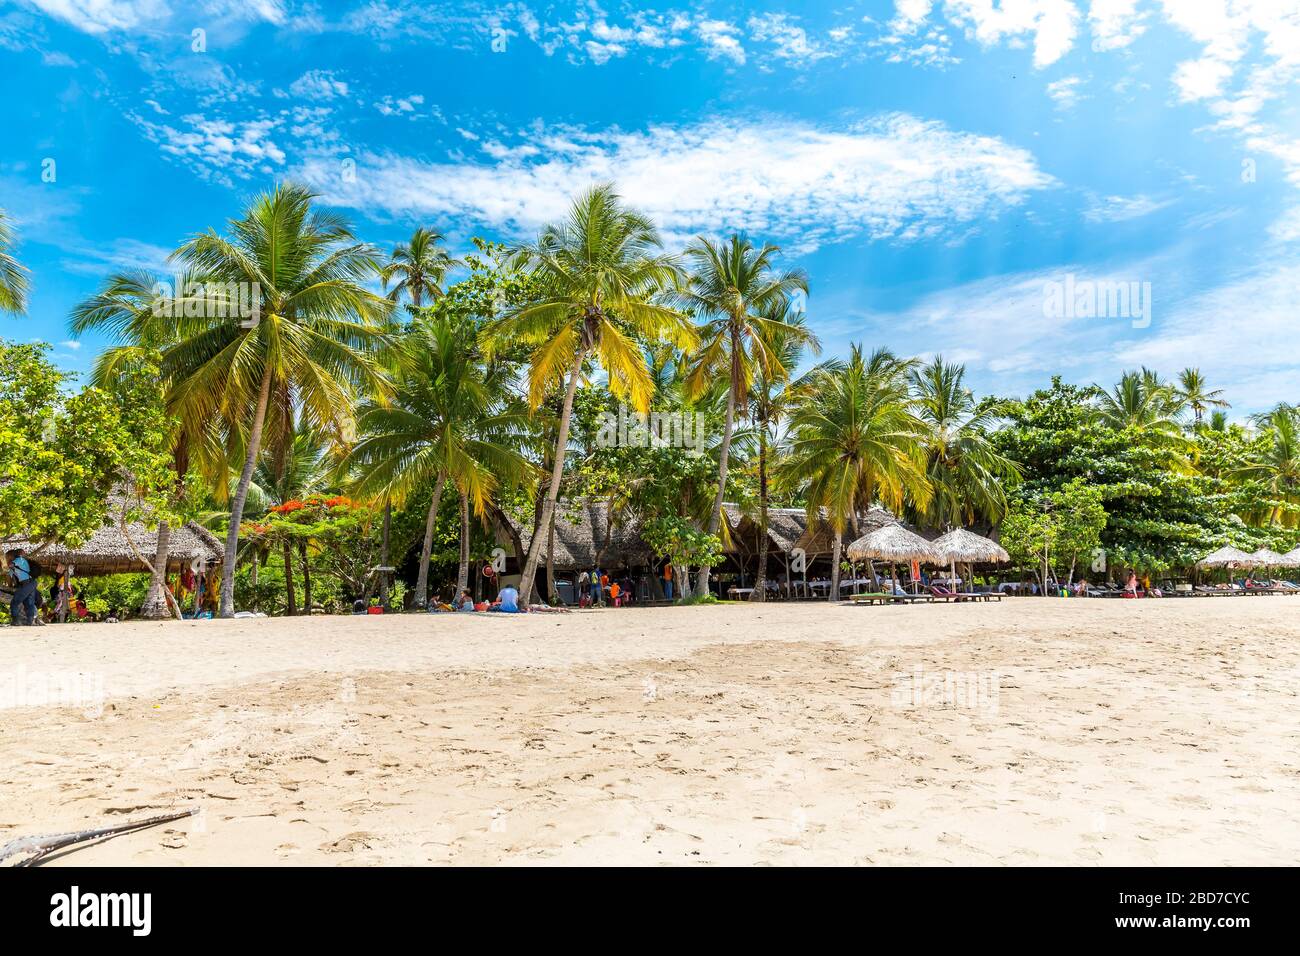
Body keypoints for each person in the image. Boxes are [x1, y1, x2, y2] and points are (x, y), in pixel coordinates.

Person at [6, 549, 39, 627]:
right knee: (29, 603)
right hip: (30, 583)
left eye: (7, 556)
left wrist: (7, 563)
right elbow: (9, 576)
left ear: (11, 556)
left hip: (28, 583)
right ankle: (30, 621)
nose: (6, 558)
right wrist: (10, 586)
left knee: (14, 602)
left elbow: (10, 565)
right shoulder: (15, 565)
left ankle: (16, 621)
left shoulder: (19, 559)